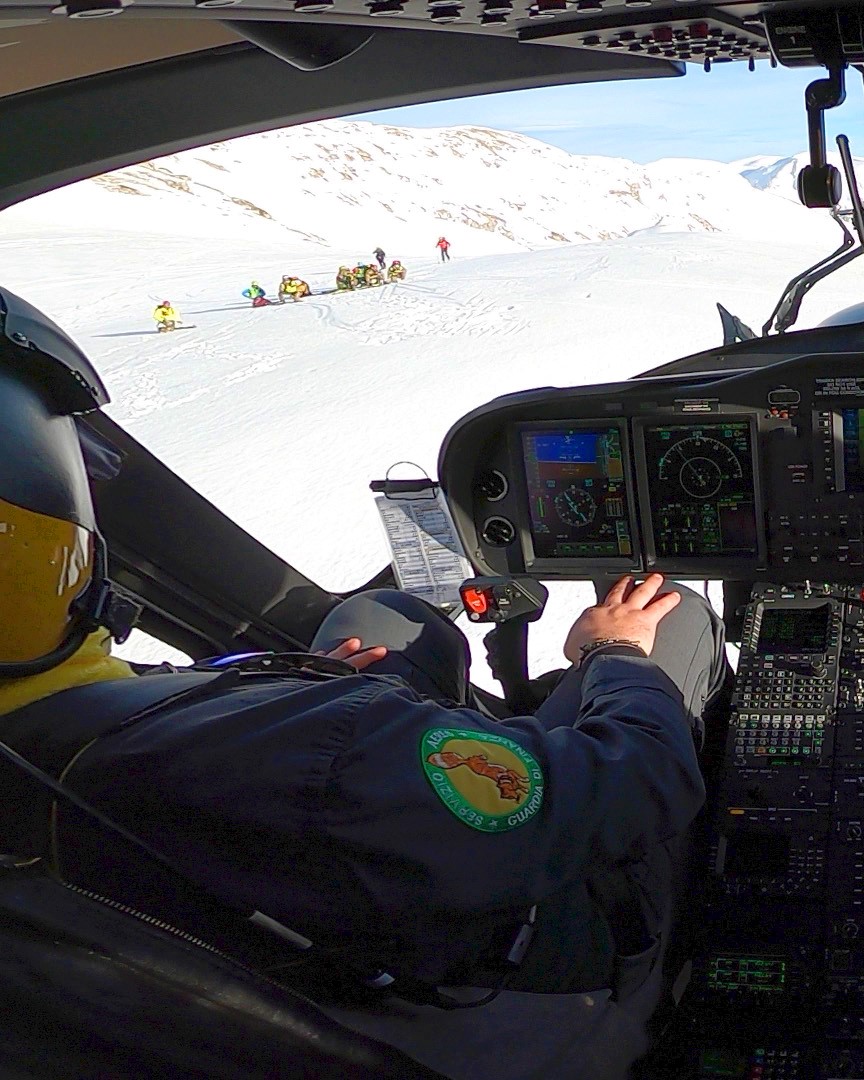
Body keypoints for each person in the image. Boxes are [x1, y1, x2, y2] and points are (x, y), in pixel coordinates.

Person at [0, 284, 728, 1078]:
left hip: (314, 916)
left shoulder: (41, 741)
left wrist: (292, 688)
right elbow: (640, 781)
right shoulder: (331, 755)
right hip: (514, 991)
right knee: (676, 618)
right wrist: (611, 655)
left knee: (384, 616)